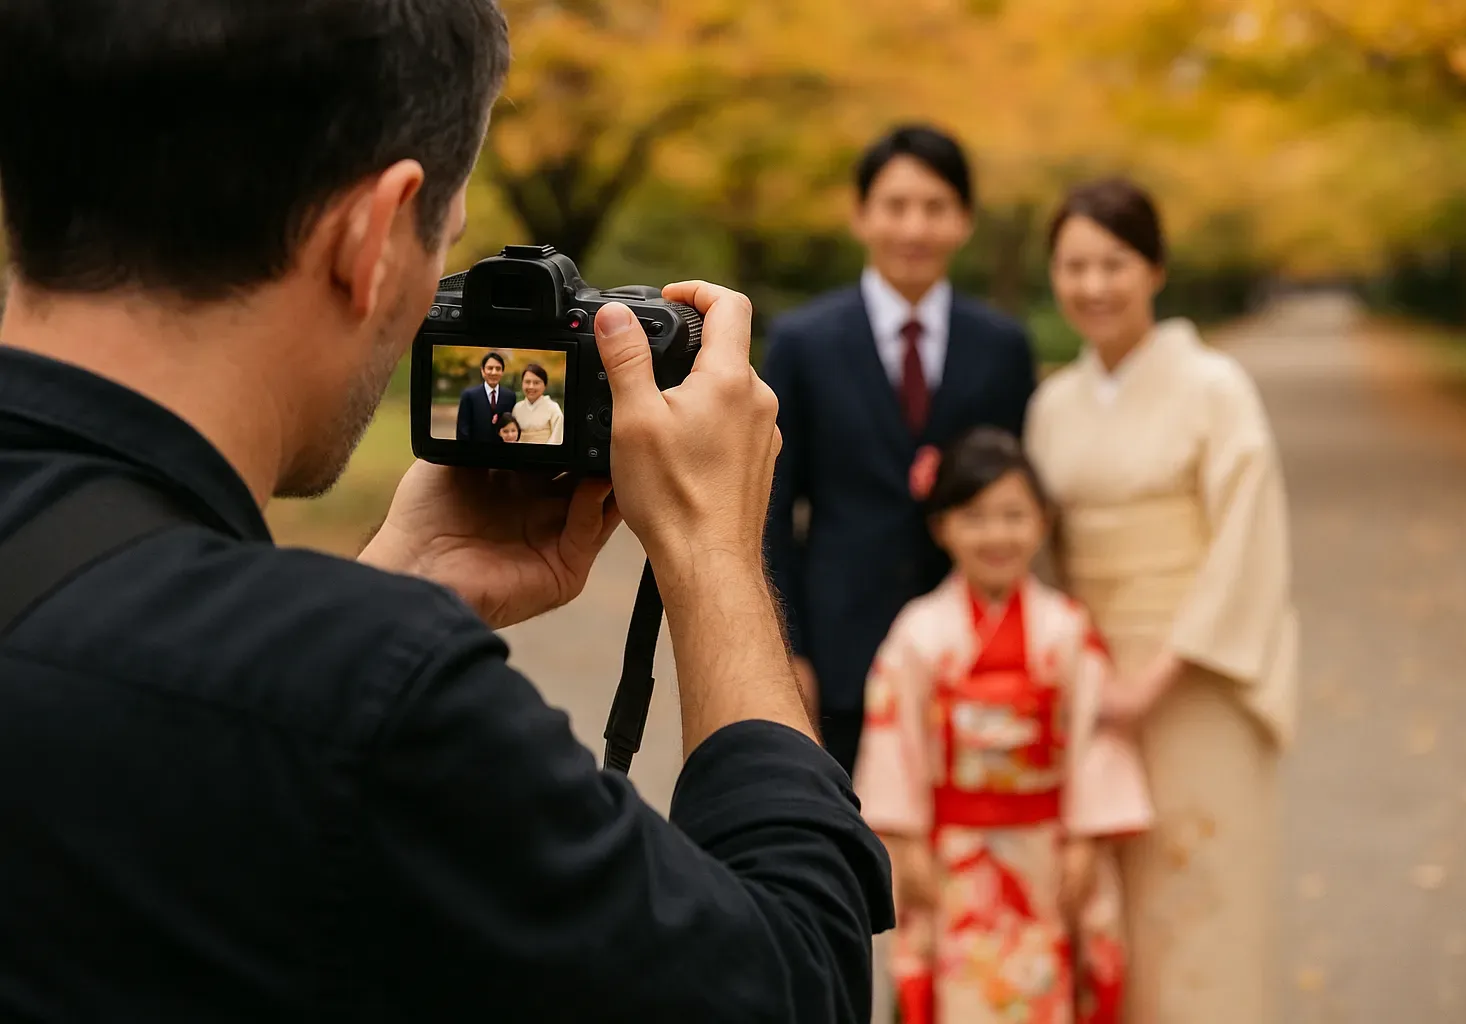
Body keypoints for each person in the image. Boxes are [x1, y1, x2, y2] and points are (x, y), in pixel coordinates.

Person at [0, 3, 893, 1021]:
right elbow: (795, 985)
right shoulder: (366, 704)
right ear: (374, 234)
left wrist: (392, 585)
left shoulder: (304, 682)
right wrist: (713, 553)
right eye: (448, 245)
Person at [1026, 178, 1298, 1024]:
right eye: (1074, 266)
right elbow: (1045, 555)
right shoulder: (1052, 403)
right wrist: (1076, 667)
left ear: (1156, 269)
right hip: (1092, 675)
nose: (1094, 286)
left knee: (1201, 891)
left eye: (1115, 263)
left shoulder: (1215, 386)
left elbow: (1250, 540)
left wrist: (1156, 677)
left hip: (1198, 675)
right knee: (1099, 902)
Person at [765, 125, 1040, 775]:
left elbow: (1020, 496)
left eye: (935, 207)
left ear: (964, 220)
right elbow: (772, 507)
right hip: (836, 652)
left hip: (972, 648)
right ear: (862, 216)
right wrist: (786, 651)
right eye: (895, 206)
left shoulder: (1002, 347)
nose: (914, 227)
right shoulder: (803, 343)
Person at [853, 428, 1152, 1024]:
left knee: (1046, 986)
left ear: (1042, 522)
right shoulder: (918, 632)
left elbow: (1095, 733)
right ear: (942, 527)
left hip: (1047, 846)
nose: (997, 534)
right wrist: (905, 842)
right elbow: (893, 738)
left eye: (1014, 515)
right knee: (957, 991)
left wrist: (1087, 839)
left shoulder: (1066, 628)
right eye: (975, 517)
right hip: (952, 850)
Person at [456, 351, 519, 442]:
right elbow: (463, 428)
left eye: (498, 369)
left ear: (502, 372)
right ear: (483, 371)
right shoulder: (469, 395)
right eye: (490, 368)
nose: (494, 372)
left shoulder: (510, 396)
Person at [513, 362, 565, 445]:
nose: (531, 386)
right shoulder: (517, 408)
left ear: (545, 385)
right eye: (527, 382)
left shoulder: (553, 408)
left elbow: (557, 437)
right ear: (522, 383)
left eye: (536, 383)